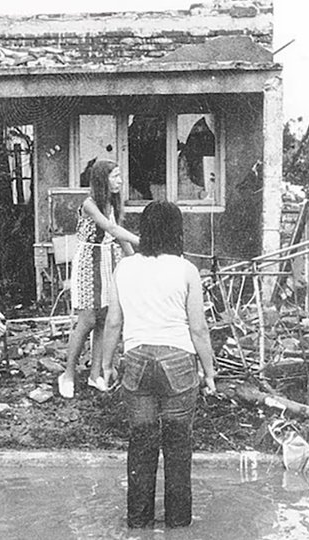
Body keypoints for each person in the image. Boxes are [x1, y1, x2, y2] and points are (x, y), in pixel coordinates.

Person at [100, 200, 217, 528]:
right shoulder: (186, 269)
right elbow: (198, 328)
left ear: (145, 230)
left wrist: (107, 365)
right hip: (178, 362)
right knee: (179, 446)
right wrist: (209, 372)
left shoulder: (124, 268)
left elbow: (113, 323)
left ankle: (138, 524)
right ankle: (178, 525)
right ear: (176, 231)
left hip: (136, 362)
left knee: (142, 442)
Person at [57, 158, 140, 398]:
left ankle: (95, 374)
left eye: (120, 175)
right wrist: (143, 241)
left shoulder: (111, 203)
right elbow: (112, 230)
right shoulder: (90, 204)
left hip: (108, 260)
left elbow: (118, 235)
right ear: (102, 179)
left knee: (104, 318)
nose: (120, 181)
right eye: (115, 176)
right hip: (87, 261)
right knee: (87, 320)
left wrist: (134, 259)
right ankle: (68, 374)